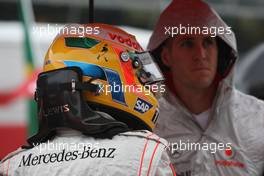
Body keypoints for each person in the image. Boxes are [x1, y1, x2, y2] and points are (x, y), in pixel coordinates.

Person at [0, 23, 176, 176]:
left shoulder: (12, 165)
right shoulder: (147, 155)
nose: (144, 81)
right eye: (137, 69)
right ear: (109, 72)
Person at [147, 0, 264, 175]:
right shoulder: (147, 122)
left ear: (220, 50)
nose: (200, 54)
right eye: (187, 43)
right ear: (165, 57)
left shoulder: (258, 118)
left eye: (208, 42)